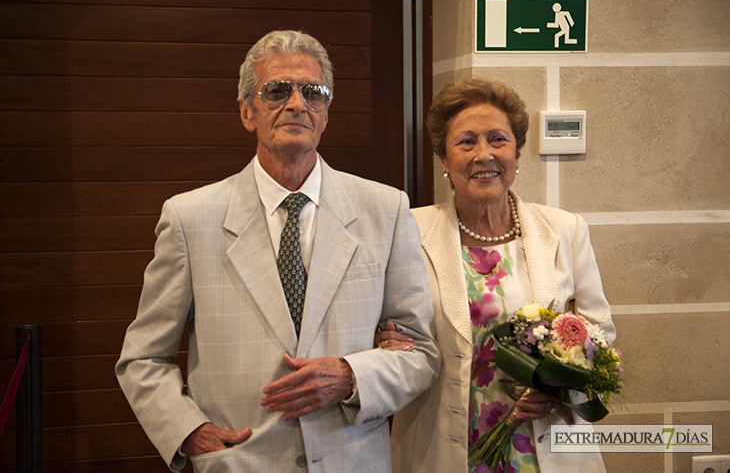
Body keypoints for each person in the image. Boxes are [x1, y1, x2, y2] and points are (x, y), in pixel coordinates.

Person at [115, 30, 440, 473]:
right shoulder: (191, 219)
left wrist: (351, 377)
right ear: (247, 111)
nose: (296, 104)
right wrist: (186, 431)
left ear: (325, 115)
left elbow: (420, 351)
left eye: (314, 93)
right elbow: (143, 358)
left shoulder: (386, 209)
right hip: (239, 463)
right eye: (277, 90)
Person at [377, 78, 616, 473]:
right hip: (440, 447)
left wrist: (559, 390)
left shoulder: (565, 230)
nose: (483, 154)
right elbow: (381, 327)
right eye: (466, 142)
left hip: (545, 447)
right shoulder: (406, 231)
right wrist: (383, 341)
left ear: (518, 153)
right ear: (442, 159)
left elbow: (600, 333)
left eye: (498, 140)